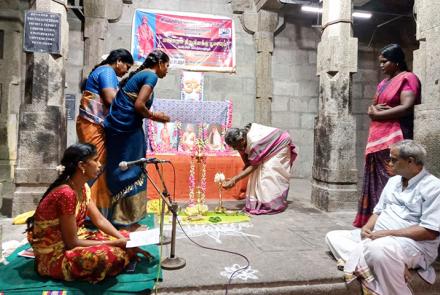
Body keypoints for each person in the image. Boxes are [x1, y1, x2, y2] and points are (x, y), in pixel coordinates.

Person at [326, 140, 440, 295]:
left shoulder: (434, 187)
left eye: (393, 159)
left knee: (378, 250)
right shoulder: (393, 181)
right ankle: (390, 264)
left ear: (410, 161)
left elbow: (429, 232)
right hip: (376, 238)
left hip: (412, 245)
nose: (389, 163)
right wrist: (366, 227)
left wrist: (387, 234)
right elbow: (378, 211)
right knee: (333, 237)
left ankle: (381, 269)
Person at [26, 143, 151, 283]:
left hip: (76, 238)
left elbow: (100, 220)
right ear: (82, 165)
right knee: (105, 257)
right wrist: (117, 243)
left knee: (127, 236)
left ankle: (124, 249)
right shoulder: (66, 193)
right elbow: (72, 243)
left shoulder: (83, 187)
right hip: (55, 254)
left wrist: (124, 241)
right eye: (95, 160)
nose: (100, 165)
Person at [353, 44, 421, 228]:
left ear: (397, 61)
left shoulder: (408, 78)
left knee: (392, 178)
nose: (381, 65)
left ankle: (392, 222)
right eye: (380, 62)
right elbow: (372, 106)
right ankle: (375, 221)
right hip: (377, 137)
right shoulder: (383, 83)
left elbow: (406, 106)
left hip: (396, 136)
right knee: (376, 179)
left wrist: (376, 115)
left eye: (385, 62)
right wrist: (372, 111)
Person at [104, 50, 170, 227]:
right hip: (128, 129)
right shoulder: (151, 75)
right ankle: (129, 221)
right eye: (167, 65)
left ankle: (118, 217)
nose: (167, 70)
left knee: (122, 168)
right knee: (134, 167)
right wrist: (158, 117)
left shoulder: (141, 74)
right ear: (160, 63)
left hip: (121, 128)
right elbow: (139, 105)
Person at [76, 49, 134, 219]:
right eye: (127, 66)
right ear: (118, 61)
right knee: (95, 166)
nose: (126, 71)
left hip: (94, 125)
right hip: (92, 125)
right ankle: (85, 212)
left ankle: (95, 212)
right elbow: (110, 99)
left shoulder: (102, 72)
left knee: (98, 166)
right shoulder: (107, 71)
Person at [222, 123, 297, 214]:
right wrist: (235, 178)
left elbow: (253, 165)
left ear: (241, 140)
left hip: (281, 143)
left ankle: (273, 204)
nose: (234, 148)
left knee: (268, 171)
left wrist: (234, 179)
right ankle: (259, 200)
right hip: (272, 142)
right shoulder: (244, 137)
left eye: (235, 146)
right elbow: (249, 161)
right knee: (258, 172)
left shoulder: (254, 143)